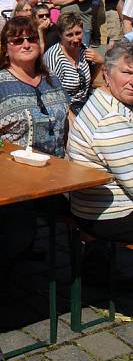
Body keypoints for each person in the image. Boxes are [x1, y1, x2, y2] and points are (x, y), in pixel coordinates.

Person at [0, 16, 68, 157]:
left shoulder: (51, 78)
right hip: (15, 170)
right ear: (5, 49)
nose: (26, 45)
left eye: (32, 38)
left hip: (56, 168)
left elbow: (66, 119)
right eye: (18, 41)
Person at [67, 41, 133, 242]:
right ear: (106, 73)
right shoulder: (110, 119)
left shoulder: (105, 100)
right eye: (127, 72)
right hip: (110, 214)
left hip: (96, 207)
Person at [44, 13, 102, 116]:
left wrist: (100, 62)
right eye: (69, 35)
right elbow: (51, 95)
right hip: (64, 109)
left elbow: (95, 82)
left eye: (78, 33)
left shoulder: (83, 49)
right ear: (60, 35)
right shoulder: (54, 57)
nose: (75, 39)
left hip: (84, 104)